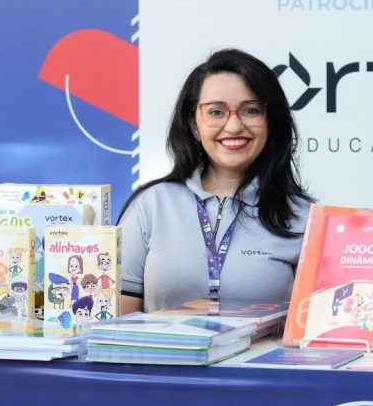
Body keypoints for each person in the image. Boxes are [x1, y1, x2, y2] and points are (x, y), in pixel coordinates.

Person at [119, 48, 313, 313]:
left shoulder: (304, 217)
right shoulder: (151, 205)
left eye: (251, 110)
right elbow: (116, 322)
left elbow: (314, 323)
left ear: (271, 122)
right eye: (216, 112)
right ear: (193, 124)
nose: (233, 126)